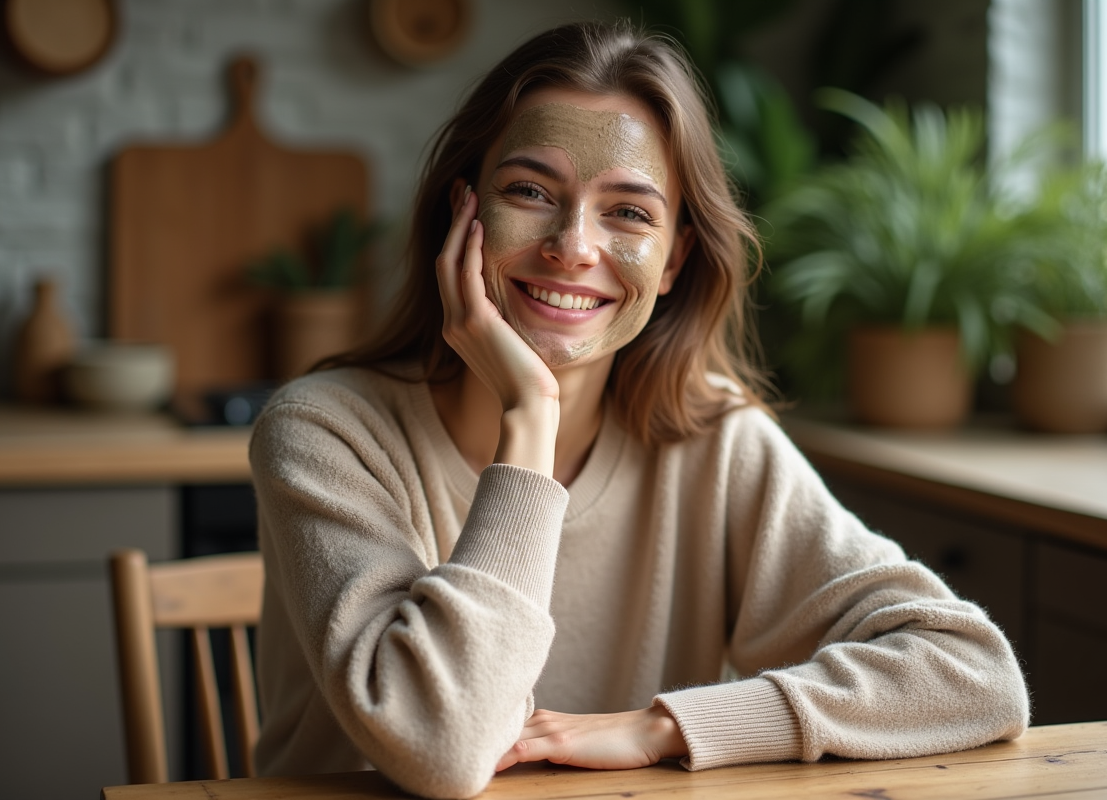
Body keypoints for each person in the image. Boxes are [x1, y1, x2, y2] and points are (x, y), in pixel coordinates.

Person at [248, 19, 1028, 800]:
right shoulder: (323, 432)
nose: (572, 246)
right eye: (530, 192)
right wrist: (531, 414)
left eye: (628, 212)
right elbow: (441, 746)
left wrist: (665, 726)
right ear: (464, 214)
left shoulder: (715, 441)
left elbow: (975, 675)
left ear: (675, 260)